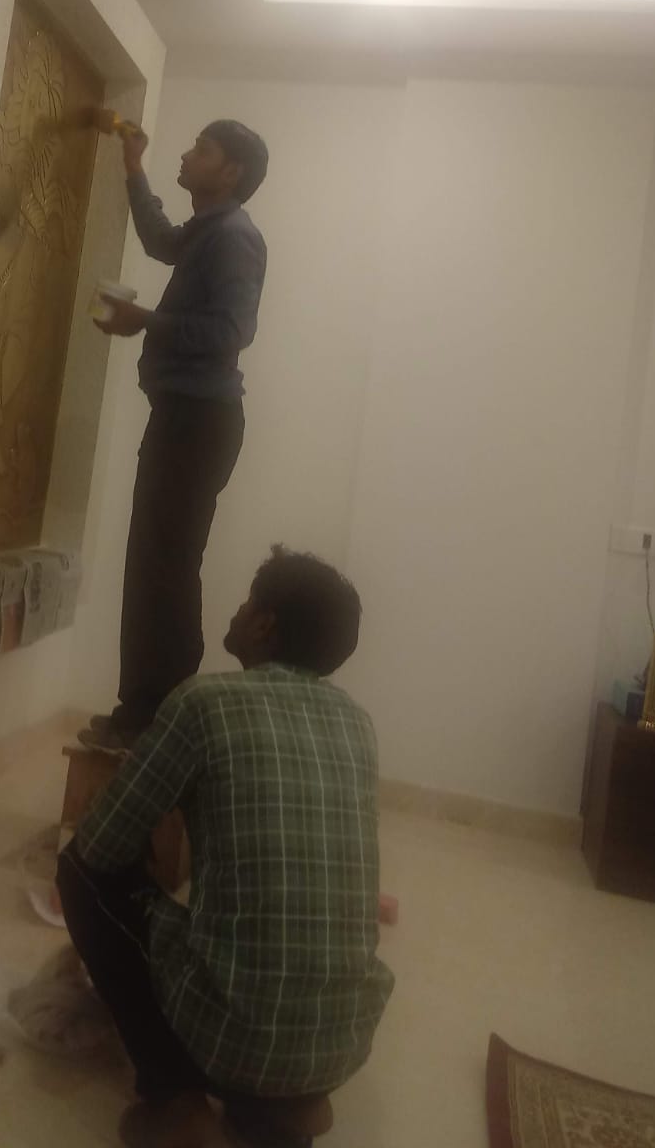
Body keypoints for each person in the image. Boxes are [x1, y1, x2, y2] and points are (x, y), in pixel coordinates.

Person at [57, 547, 394, 1148]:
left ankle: (175, 1098)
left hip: (234, 1037)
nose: (236, 612)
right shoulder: (357, 722)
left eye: (246, 602)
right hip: (344, 1043)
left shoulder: (203, 702)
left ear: (264, 624)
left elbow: (102, 843)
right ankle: (286, 1106)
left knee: (78, 872)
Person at [83, 120, 269, 753]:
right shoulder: (207, 231)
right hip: (185, 417)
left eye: (202, 150)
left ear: (231, 172)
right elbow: (161, 239)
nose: (187, 155)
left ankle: (157, 719)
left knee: (165, 568)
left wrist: (145, 321)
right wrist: (134, 166)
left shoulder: (235, 238)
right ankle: (143, 711)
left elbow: (231, 332)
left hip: (199, 422)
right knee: (155, 563)